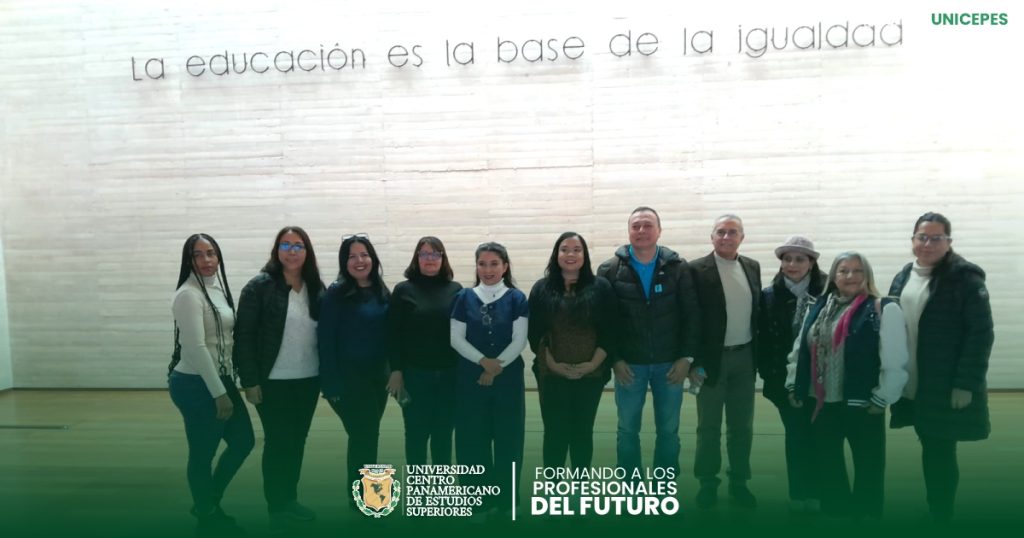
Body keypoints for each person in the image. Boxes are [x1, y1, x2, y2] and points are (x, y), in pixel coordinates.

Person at [786, 251, 909, 519]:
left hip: (863, 404)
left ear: (867, 275)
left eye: (857, 270)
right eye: (843, 270)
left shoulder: (882, 308)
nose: (850, 276)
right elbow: (799, 349)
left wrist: (883, 397)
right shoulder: (818, 307)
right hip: (822, 404)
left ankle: (866, 521)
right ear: (833, 276)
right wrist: (794, 383)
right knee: (829, 467)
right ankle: (837, 517)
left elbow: (896, 358)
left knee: (868, 468)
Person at [888, 212, 993, 523]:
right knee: (930, 442)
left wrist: (965, 384)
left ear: (949, 242)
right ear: (913, 240)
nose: (928, 244)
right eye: (922, 237)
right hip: (913, 381)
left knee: (940, 449)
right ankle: (937, 509)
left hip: (945, 383)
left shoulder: (965, 279)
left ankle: (941, 514)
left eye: (936, 238)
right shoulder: (904, 275)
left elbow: (981, 334)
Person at [596, 207, 700, 476]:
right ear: (629, 231)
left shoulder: (678, 267)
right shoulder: (608, 270)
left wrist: (686, 358)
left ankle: (663, 484)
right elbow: (604, 322)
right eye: (636, 226)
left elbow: (691, 315)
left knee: (668, 429)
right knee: (627, 429)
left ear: (659, 231)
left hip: (670, 365)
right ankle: (630, 483)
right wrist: (615, 359)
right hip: (629, 367)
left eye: (648, 225)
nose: (641, 230)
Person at [233, 226, 325, 530]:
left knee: (297, 441)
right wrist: (250, 380)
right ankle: (276, 505)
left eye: (298, 245)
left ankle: (290, 499)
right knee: (278, 442)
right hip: (272, 381)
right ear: (276, 251)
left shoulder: (315, 287)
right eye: (285, 245)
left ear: (307, 252)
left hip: (308, 378)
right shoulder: (258, 287)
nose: (292, 251)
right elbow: (244, 336)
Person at [169, 233, 253, 536]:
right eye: (198, 254)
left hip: (221, 379)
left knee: (244, 441)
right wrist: (219, 393)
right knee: (203, 453)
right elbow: (195, 347)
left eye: (211, 253)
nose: (206, 260)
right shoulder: (188, 295)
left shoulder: (216, 289)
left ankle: (208, 501)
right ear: (188, 260)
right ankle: (207, 514)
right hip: (195, 384)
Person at [450, 242, 528, 516]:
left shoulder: (517, 298)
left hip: (508, 381)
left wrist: (494, 368)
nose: (488, 269)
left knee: (509, 441)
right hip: (470, 380)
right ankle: (478, 503)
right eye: (482, 264)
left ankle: (507, 502)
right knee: (472, 441)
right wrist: (483, 362)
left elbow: (520, 340)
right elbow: (456, 338)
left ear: (505, 266)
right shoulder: (464, 297)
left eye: (494, 263)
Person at [689, 214, 762, 509]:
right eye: (720, 232)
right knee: (708, 426)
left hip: (745, 357)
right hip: (710, 361)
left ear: (742, 237)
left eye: (732, 232)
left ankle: (739, 482)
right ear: (712, 237)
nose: (726, 237)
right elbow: (690, 318)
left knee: (741, 426)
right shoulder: (695, 270)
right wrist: (693, 362)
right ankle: (707, 482)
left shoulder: (752, 267)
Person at [528, 232, 615, 469]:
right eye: (565, 249)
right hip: (551, 374)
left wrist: (592, 364)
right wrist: (553, 364)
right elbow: (534, 334)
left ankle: (579, 485)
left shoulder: (601, 287)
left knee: (582, 432)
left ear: (584, 255)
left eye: (577, 250)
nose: (570, 254)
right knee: (554, 432)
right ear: (556, 254)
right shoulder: (541, 288)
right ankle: (553, 485)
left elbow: (611, 331)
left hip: (591, 374)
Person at [318, 234, 390, 509]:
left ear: (373, 258)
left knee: (364, 436)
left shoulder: (381, 290)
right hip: (349, 380)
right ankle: (371, 501)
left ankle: (358, 496)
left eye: (364, 255)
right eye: (352, 256)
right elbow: (325, 340)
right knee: (366, 435)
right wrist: (330, 384)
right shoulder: (336, 293)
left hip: (378, 378)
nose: (359, 261)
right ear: (344, 262)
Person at [758, 236, 827, 514]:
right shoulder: (768, 295)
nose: (792, 264)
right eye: (787, 259)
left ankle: (818, 493)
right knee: (796, 435)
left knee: (818, 436)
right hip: (783, 381)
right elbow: (762, 339)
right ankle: (798, 494)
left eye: (800, 259)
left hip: (820, 381)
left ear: (811, 263)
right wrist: (769, 374)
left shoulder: (827, 293)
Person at [386, 236, 462, 465]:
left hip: (449, 376)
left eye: (435, 254)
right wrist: (396, 370)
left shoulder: (456, 290)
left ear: (442, 258)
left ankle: (440, 486)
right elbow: (392, 334)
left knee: (443, 437)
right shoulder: (403, 290)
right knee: (416, 436)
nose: (430, 259)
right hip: (415, 376)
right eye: (424, 254)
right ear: (417, 258)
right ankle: (418, 486)